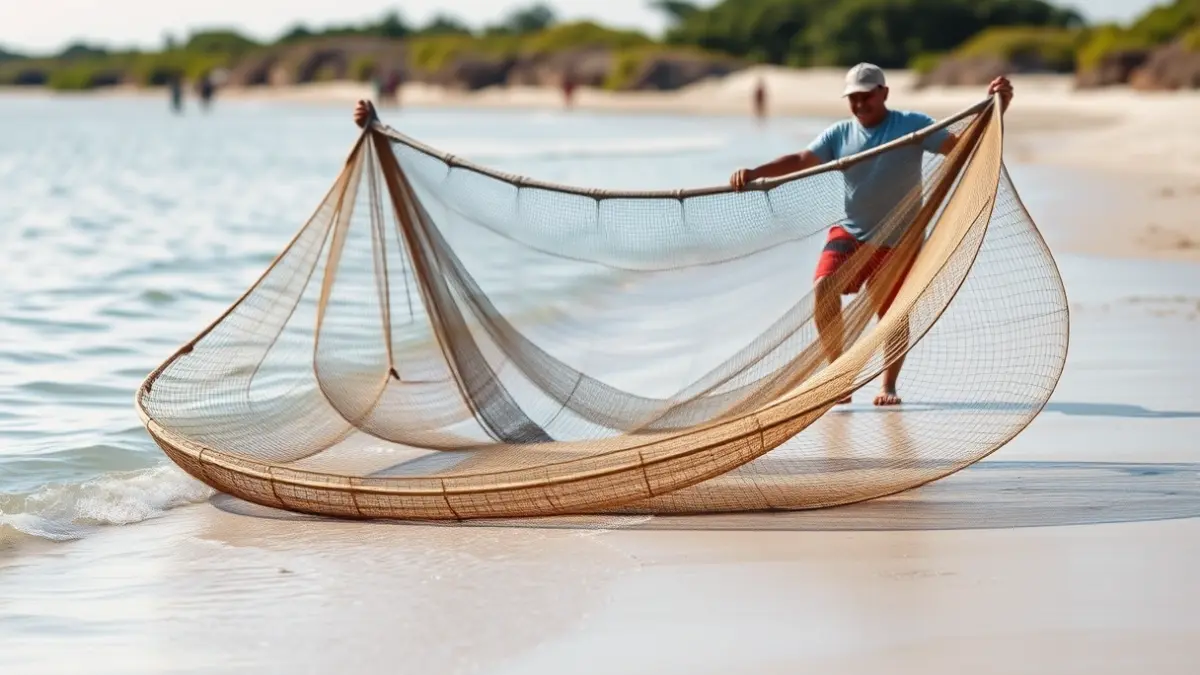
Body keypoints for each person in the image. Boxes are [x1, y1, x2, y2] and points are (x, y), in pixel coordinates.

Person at [730, 63, 1013, 406]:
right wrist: (755, 173)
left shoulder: (912, 125)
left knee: (892, 313)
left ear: (884, 93)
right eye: (854, 98)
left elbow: (961, 148)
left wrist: (998, 109)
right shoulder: (840, 134)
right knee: (824, 285)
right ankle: (839, 376)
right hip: (852, 231)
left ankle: (889, 385)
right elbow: (801, 159)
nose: (860, 104)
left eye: (867, 96)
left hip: (899, 241)